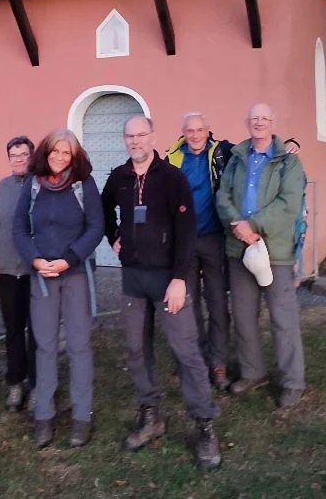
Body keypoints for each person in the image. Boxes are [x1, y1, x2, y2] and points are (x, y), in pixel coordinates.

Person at [101, 115, 221, 470]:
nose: (135, 141)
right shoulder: (118, 178)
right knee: (137, 350)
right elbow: (104, 210)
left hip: (168, 279)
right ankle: (150, 414)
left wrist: (180, 278)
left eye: (141, 134)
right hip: (133, 279)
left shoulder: (172, 177)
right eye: (129, 136)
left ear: (153, 136)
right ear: (124, 139)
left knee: (186, 351)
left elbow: (187, 229)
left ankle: (204, 424)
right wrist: (114, 237)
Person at [166, 113, 300, 390]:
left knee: (222, 305)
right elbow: (215, 196)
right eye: (190, 130)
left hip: (221, 240)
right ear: (183, 132)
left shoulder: (224, 152)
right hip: (192, 242)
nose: (195, 135)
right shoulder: (174, 159)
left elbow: (265, 152)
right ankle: (200, 362)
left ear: (208, 130)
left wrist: (291, 143)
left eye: (200, 129)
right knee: (196, 306)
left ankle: (222, 364)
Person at [12, 128, 104, 448]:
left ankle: (81, 415)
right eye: (55, 152)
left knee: (79, 346)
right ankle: (44, 414)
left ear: (74, 157)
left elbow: (96, 227)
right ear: (45, 152)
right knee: (45, 346)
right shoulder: (33, 184)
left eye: (67, 153)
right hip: (42, 278)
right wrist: (35, 259)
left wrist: (69, 259)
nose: (60, 158)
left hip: (75, 274)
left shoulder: (84, 184)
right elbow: (19, 228)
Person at [214, 103, 307, 408]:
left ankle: (293, 382)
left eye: (265, 118)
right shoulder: (237, 159)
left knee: (283, 318)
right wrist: (238, 226)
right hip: (240, 248)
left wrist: (252, 225)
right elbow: (222, 196)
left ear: (273, 123)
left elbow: (288, 203)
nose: (259, 122)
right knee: (243, 315)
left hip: (275, 250)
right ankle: (253, 373)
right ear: (247, 123)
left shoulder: (288, 162)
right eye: (255, 118)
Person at [0, 135, 38, 413]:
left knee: (38, 330)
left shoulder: (41, 184)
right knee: (13, 329)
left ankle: (38, 384)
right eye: (14, 156)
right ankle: (16, 383)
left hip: (34, 271)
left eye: (23, 155)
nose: (19, 160)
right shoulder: (3, 186)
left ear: (32, 156)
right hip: (7, 271)